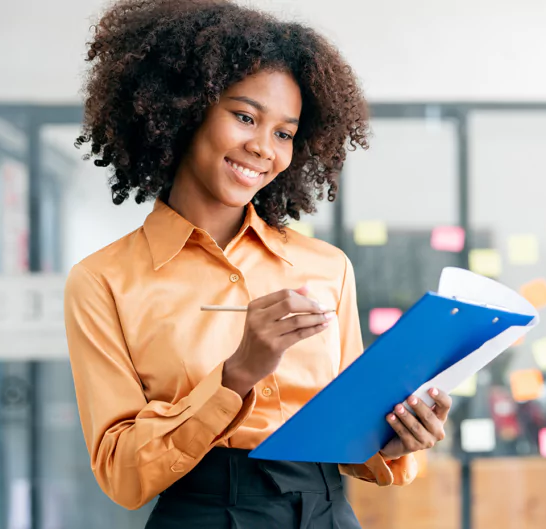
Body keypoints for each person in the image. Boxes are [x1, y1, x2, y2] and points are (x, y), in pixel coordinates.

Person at [62, 1, 452, 526]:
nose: (262, 148)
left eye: (284, 133)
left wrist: (402, 434)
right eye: (245, 116)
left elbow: (355, 440)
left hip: (327, 513)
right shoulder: (103, 281)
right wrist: (234, 376)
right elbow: (122, 474)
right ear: (185, 109)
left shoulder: (326, 267)